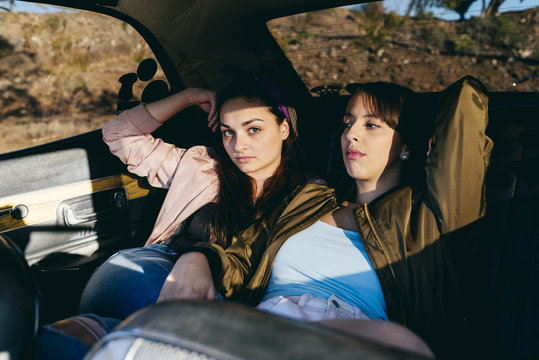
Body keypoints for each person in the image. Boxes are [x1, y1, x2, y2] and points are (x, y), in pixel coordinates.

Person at [170, 76, 492, 358]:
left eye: (371, 124)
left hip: (355, 341)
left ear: (405, 144)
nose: (351, 134)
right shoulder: (308, 198)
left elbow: (465, 104)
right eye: (347, 122)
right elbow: (241, 257)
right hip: (263, 323)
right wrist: (198, 258)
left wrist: (416, 109)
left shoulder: (428, 215)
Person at [33, 75, 307, 360]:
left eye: (253, 129)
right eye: (228, 131)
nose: (238, 145)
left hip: (206, 306)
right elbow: (118, 135)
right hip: (147, 273)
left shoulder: (306, 196)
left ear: (284, 128)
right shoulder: (202, 167)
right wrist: (187, 97)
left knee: (64, 344)